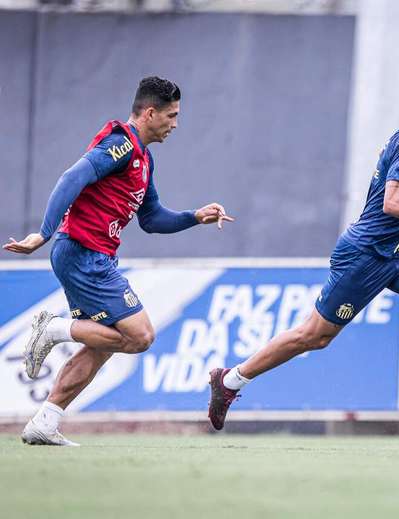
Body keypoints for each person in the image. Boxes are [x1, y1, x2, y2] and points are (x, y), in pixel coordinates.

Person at [208, 93, 399, 433]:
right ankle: (230, 381)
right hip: (365, 254)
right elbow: (393, 202)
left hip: (396, 252)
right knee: (313, 336)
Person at [4, 76, 234, 446]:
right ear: (149, 112)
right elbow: (71, 177)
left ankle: (45, 421)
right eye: (171, 115)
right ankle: (54, 329)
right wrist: (42, 234)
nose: (175, 124)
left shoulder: (144, 158)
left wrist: (195, 216)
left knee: (104, 345)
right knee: (140, 336)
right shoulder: (120, 144)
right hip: (83, 253)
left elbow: (152, 218)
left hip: (93, 256)